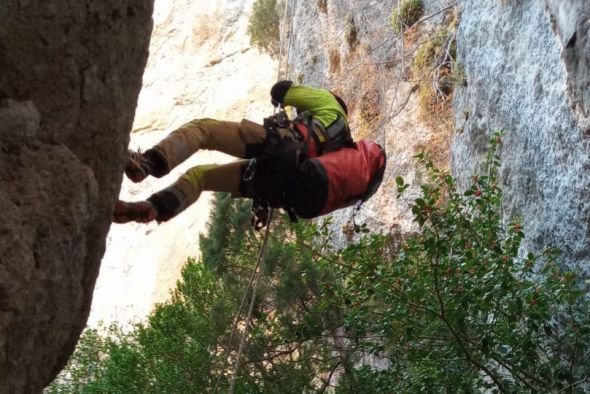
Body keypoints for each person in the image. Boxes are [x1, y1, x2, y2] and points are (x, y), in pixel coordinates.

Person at [113, 81, 386, 225]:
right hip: (275, 187)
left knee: (202, 131)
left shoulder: (330, 104)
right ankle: (153, 208)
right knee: (202, 177)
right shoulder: (340, 151)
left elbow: (282, 90)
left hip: (279, 147)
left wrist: (282, 97)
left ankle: (146, 163)